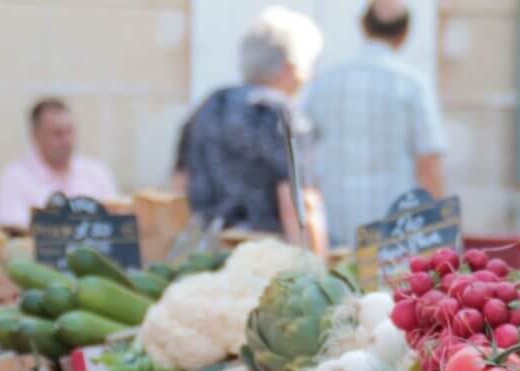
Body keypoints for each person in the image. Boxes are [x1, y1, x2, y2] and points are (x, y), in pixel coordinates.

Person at [178, 6, 328, 254]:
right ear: (292, 67)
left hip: (207, 255)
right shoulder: (282, 114)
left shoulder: (208, 106)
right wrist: (316, 266)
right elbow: (299, 205)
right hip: (265, 259)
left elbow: (178, 188)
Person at [304, 0, 447, 246]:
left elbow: (304, 154)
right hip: (394, 227)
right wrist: (439, 230)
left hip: (333, 222)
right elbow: (429, 162)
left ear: (364, 26)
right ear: (404, 33)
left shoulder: (324, 81)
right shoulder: (412, 84)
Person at [0, 98, 119, 229]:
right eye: (57, 134)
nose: (67, 141)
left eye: (70, 131)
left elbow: (116, 223)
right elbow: (14, 230)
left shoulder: (96, 172)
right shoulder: (15, 177)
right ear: (36, 136)